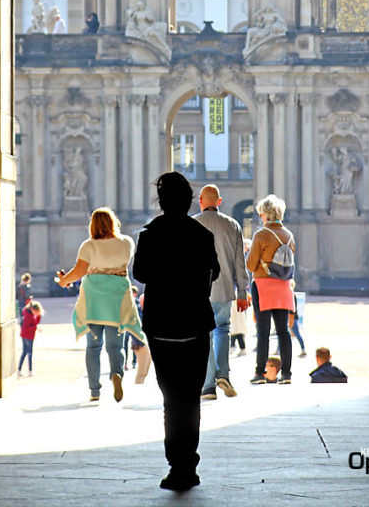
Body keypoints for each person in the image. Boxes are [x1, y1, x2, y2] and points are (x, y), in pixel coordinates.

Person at [133, 172, 220, 493]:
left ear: (161, 201)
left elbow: (140, 272)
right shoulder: (201, 234)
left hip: (161, 325)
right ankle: (189, 464)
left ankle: (176, 464)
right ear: (189, 201)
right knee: (190, 398)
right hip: (196, 321)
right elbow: (216, 270)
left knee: (171, 397)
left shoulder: (150, 233)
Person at [56, 207, 143, 402]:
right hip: (118, 296)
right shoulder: (126, 243)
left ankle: (94, 390)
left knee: (93, 347)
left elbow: (79, 271)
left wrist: (64, 281)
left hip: (94, 298)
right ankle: (117, 373)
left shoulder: (88, 245)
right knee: (115, 345)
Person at [195, 184, 250, 401]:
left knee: (204, 335)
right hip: (225, 288)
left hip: (198, 292)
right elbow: (240, 262)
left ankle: (208, 386)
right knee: (223, 330)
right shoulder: (233, 225)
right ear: (219, 201)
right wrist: (243, 292)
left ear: (200, 201)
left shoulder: (192, 224)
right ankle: (224, 374)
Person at [246, 193, 296, 385]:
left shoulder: (261, 235)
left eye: (261, 214)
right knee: (283, 331)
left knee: (263, 331)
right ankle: (287, 374)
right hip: (284, 287)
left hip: (263, 285)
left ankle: (260, 373)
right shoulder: (289, 235)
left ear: (266, 214)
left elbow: (251, 265)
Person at [18, 299, 44, 376]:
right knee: (29, 352)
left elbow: (36, 321)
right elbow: (27, 327)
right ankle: (29, 370)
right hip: (27, 335)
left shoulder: (29, 313)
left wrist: (38, 317)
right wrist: (35, 327)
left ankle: (20, 369)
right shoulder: (28, 315)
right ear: (33, 309)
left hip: (27, 334)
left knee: (25, 352)